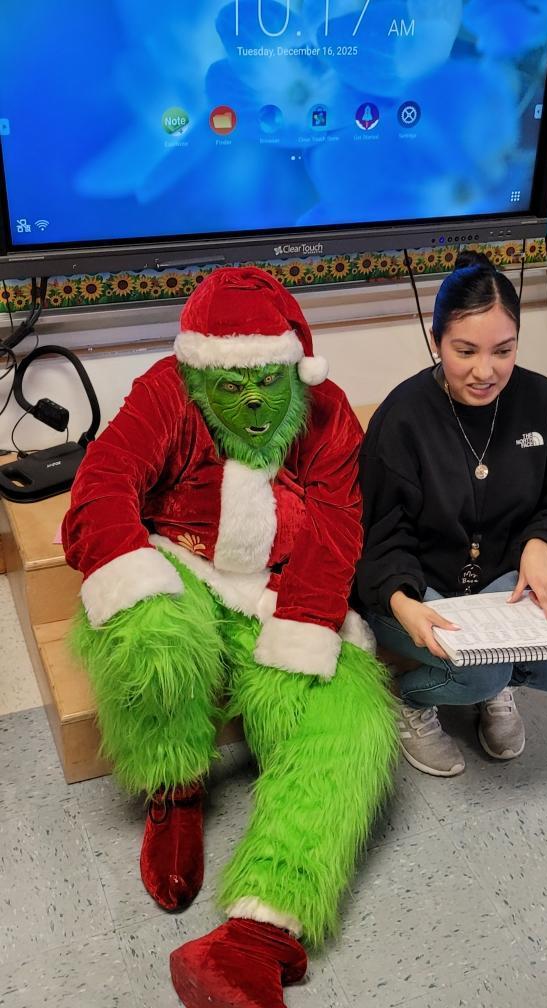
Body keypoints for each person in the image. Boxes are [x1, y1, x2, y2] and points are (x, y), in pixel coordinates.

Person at [63, 266, 396, 1008]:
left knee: (351, 716)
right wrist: (132, 577)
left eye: (265, 383)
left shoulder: (330, 414)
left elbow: (340, 525)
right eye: (231, 384)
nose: (250, 401)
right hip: (181, 565)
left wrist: (305, 627)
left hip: (273, 590)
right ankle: (173, 787)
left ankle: (255, 937)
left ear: (294, 370)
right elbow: (105, 482)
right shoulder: (164, 392)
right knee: (148, 632)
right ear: (201, 373)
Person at [355, 250, 547, 777]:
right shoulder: (403, 418)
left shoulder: (544, 403)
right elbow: (379, 535)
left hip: (501, 581)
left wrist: (541, 545)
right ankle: (413, 700)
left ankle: (498, 682)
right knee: (481, 671)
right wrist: (402, 602)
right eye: (465, 351)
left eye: (502, 351)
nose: (485, 371)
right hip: (415, 589)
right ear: (437, 341)